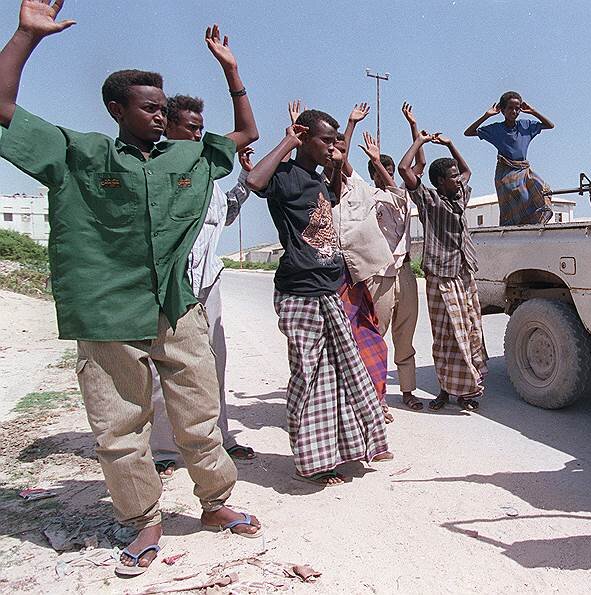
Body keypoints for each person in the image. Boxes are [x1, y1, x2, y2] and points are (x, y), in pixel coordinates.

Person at [0, 3, 263, 576]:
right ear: (116, 109)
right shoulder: (78, 153)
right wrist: (25, 35)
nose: (159, 117)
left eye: (163, 109)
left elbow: (247, 133)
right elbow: (1, 110)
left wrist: (231, 70)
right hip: (109, 310)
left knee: (199, 411)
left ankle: (216, 502)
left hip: (177, 303)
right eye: (147, 108)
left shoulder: (186, 155)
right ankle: (143, 520)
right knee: (120, 426)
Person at [245, 109, 391, 487]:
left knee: (341, 377)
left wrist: (339, 159)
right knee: (309, 377)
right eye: (326, 141)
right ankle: (309, 461)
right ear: (304, 138)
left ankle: (338, 452)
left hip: (329, 288)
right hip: (301, 292)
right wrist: (288, 141)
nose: (333, 147)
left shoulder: (318, 182)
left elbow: (338, 194)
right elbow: (254, 179)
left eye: (336, 140)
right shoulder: (284, 177)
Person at [150, 94, 257, 478]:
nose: (198, 135)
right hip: (172, 286)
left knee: (214, 364)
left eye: (201, 128)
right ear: (169, 128)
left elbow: (225, 215)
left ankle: (222, 437)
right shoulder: (158, 171)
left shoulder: (207, 177)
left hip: (207, 283)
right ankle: (163, 448)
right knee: (166, 369)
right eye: (191, 128)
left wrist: (244, 177)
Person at [398, 130, 488, 411]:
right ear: (439, 182)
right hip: (441, 277)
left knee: (470, 331)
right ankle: (444, 392)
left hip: (463, 273)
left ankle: (466, 392)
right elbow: (404, 169)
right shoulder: (429, 201)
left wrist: (450, 144)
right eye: (453, 177)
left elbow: (467, 170)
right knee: (446, 336)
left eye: (457, 177)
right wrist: (420, 141)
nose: (459, 180)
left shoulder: (459, 199)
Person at [326, 103, 396, 423]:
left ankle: (377, 399)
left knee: (372, 342)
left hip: (367, 275)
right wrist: (350, 125)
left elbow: (342, 160)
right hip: (339, 279)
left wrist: (375, 160)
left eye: (343, 150)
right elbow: (336, 165)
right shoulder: (326, 190)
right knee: (344, 345)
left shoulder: (363, 188)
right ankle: (351, 405)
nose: (339, 155)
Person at [363, 101, 424, 411]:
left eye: (388, 170)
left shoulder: (403, 195)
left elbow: (419, 165)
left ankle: (409, 390)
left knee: (406, 332)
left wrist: (415, 130)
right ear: (373, 174)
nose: (386, 175)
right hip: (380, 274)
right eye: (380, 170)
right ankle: (375, 397)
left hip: (405, 272)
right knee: (377, 335)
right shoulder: (367, 196)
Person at [464, 91, 554, 225]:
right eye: (510, 108)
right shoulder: (497, 129)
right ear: (503, 110)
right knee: (521, 196)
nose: (514, 111)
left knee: (542, 190)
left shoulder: (526, 125)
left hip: (523, 169)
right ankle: (514, 225)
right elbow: (468, 132)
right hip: (506, 172)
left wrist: (533, 111)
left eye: (517, 108)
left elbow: (550, 125)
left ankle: (534, 224)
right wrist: (486, 116)